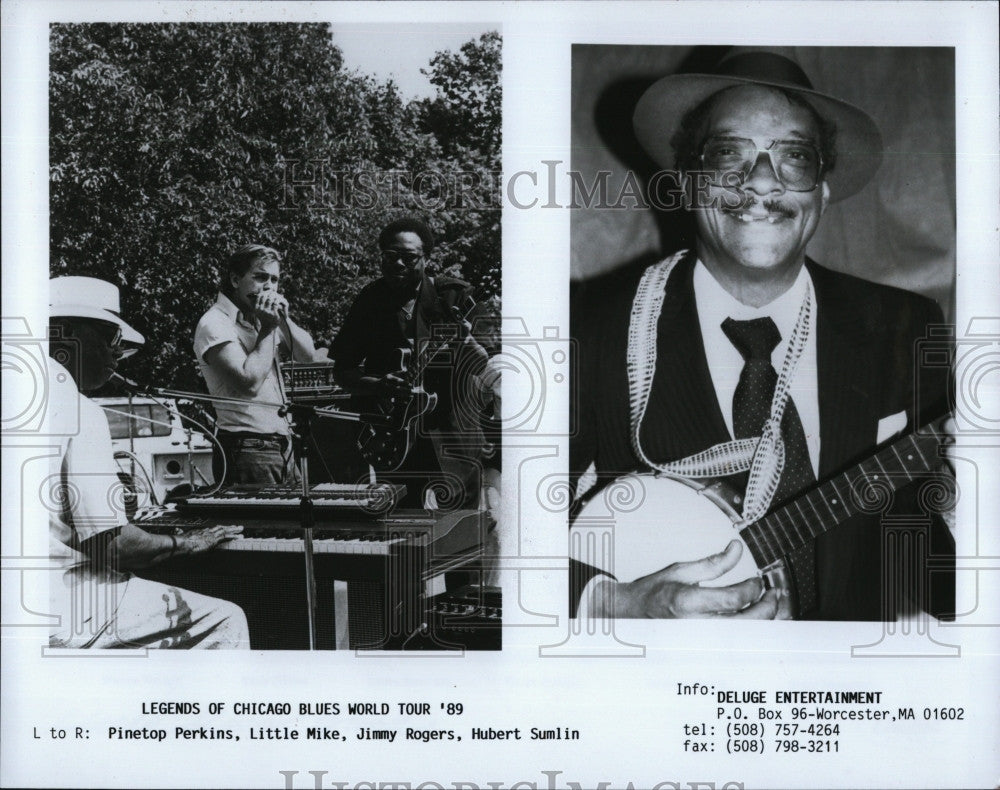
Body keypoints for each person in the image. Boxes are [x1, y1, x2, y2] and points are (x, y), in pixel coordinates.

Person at [570, 48, 955, 621]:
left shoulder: (904, 327)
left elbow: (933, 578)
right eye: (729, 154)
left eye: (794, 158)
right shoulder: (591, 328)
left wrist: (962, 504)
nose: (760, 182)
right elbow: (509, 524)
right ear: (687, 181)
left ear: (821, 191)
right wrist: (608, 603)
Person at [48, 275, 249, 648]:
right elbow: (112, 547)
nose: (116, 355)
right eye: (112, 340)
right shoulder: (78, 409)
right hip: (62, 604)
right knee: (225, 618)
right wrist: (185, 542)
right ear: (68, 334)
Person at [331, 218, 491, 509]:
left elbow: (488, 366)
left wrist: (466, 343)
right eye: (391, 257)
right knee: (402, 533)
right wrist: (378, 386)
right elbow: (342, 372)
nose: (399, 264)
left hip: (453, 435)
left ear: (426, 258)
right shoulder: (369, 300)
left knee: (460, 534)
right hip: (392, 437)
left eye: (409, 257)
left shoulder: (455, 297)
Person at [194, 244, 322, 486]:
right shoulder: (215, 323)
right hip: (247, 447)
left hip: (281, 444)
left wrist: (283, 319)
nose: (269, 287)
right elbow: (248, 383)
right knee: (263, 524)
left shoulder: (260, 321)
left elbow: (308, 355)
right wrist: (269, 330)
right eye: (260, 277)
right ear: (234, 279)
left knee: (292, 523)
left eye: (274, 280)